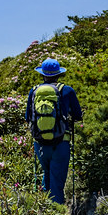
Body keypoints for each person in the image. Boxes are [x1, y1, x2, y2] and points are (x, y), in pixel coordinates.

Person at [25, 58, 83, 204]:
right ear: (59, 74)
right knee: (57, 182)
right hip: (61, 143)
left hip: (40, 144)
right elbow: (78, 115)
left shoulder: (34, 91)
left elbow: (28, 117)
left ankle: (45, 214)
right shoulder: (67, 90)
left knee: (48, 176)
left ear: (42, 74)